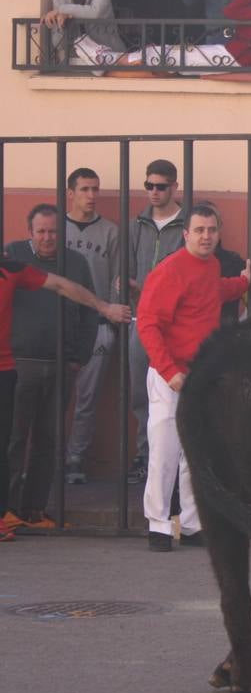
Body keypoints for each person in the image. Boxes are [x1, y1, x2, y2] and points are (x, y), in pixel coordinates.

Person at [0, 232, 130, 539]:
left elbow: (60, 285)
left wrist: (103, 307)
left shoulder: (12, 269)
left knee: (4, 445)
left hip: (5, 369)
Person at [137, 205, 249, 551]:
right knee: (165, 449)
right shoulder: (170, 270)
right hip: (172, 376)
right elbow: (147, 322)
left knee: (195, 452)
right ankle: (158, 525)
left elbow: (213, 292)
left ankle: (191, 523)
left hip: (199, 375)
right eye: (199, 230)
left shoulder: (209, 265)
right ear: (186, 234)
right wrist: (169, 371)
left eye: (211, 230)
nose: (206, 236)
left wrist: (245, 280)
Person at [2, 205, 98, 530]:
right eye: (41, 231)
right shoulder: (13, 255)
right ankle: (7, 510)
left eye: (53, 231)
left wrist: (79, 357)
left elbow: (89, 312)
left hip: (61, 364)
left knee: (48, 439)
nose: (47, 238)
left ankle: (33, 510)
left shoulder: (77, 263)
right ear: (30, 231)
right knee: (14, 438)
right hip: (19, 363)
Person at [126, 159, 186, 484]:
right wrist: (125, 289)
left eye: (160, 186)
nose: (154, 192)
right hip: (141, 318)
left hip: (176, 323)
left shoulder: (189, 225)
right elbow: (125, 268)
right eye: (149, 185)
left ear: (175, 187)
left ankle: (176, 461)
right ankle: (145, 455)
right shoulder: (137, 224)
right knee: (140, 391)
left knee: (175, 390)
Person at [63, 167, 119, 485]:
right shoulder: (55, 229)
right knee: (53, 397)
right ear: (70, 192)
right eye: (84, 189)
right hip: (60, 324)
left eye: (95, 189)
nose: (91, 195)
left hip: (96, 323)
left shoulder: (110, 231)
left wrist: (110, 320)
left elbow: (117, 279)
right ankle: (49, 457)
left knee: (87, 399)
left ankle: (75, 458)